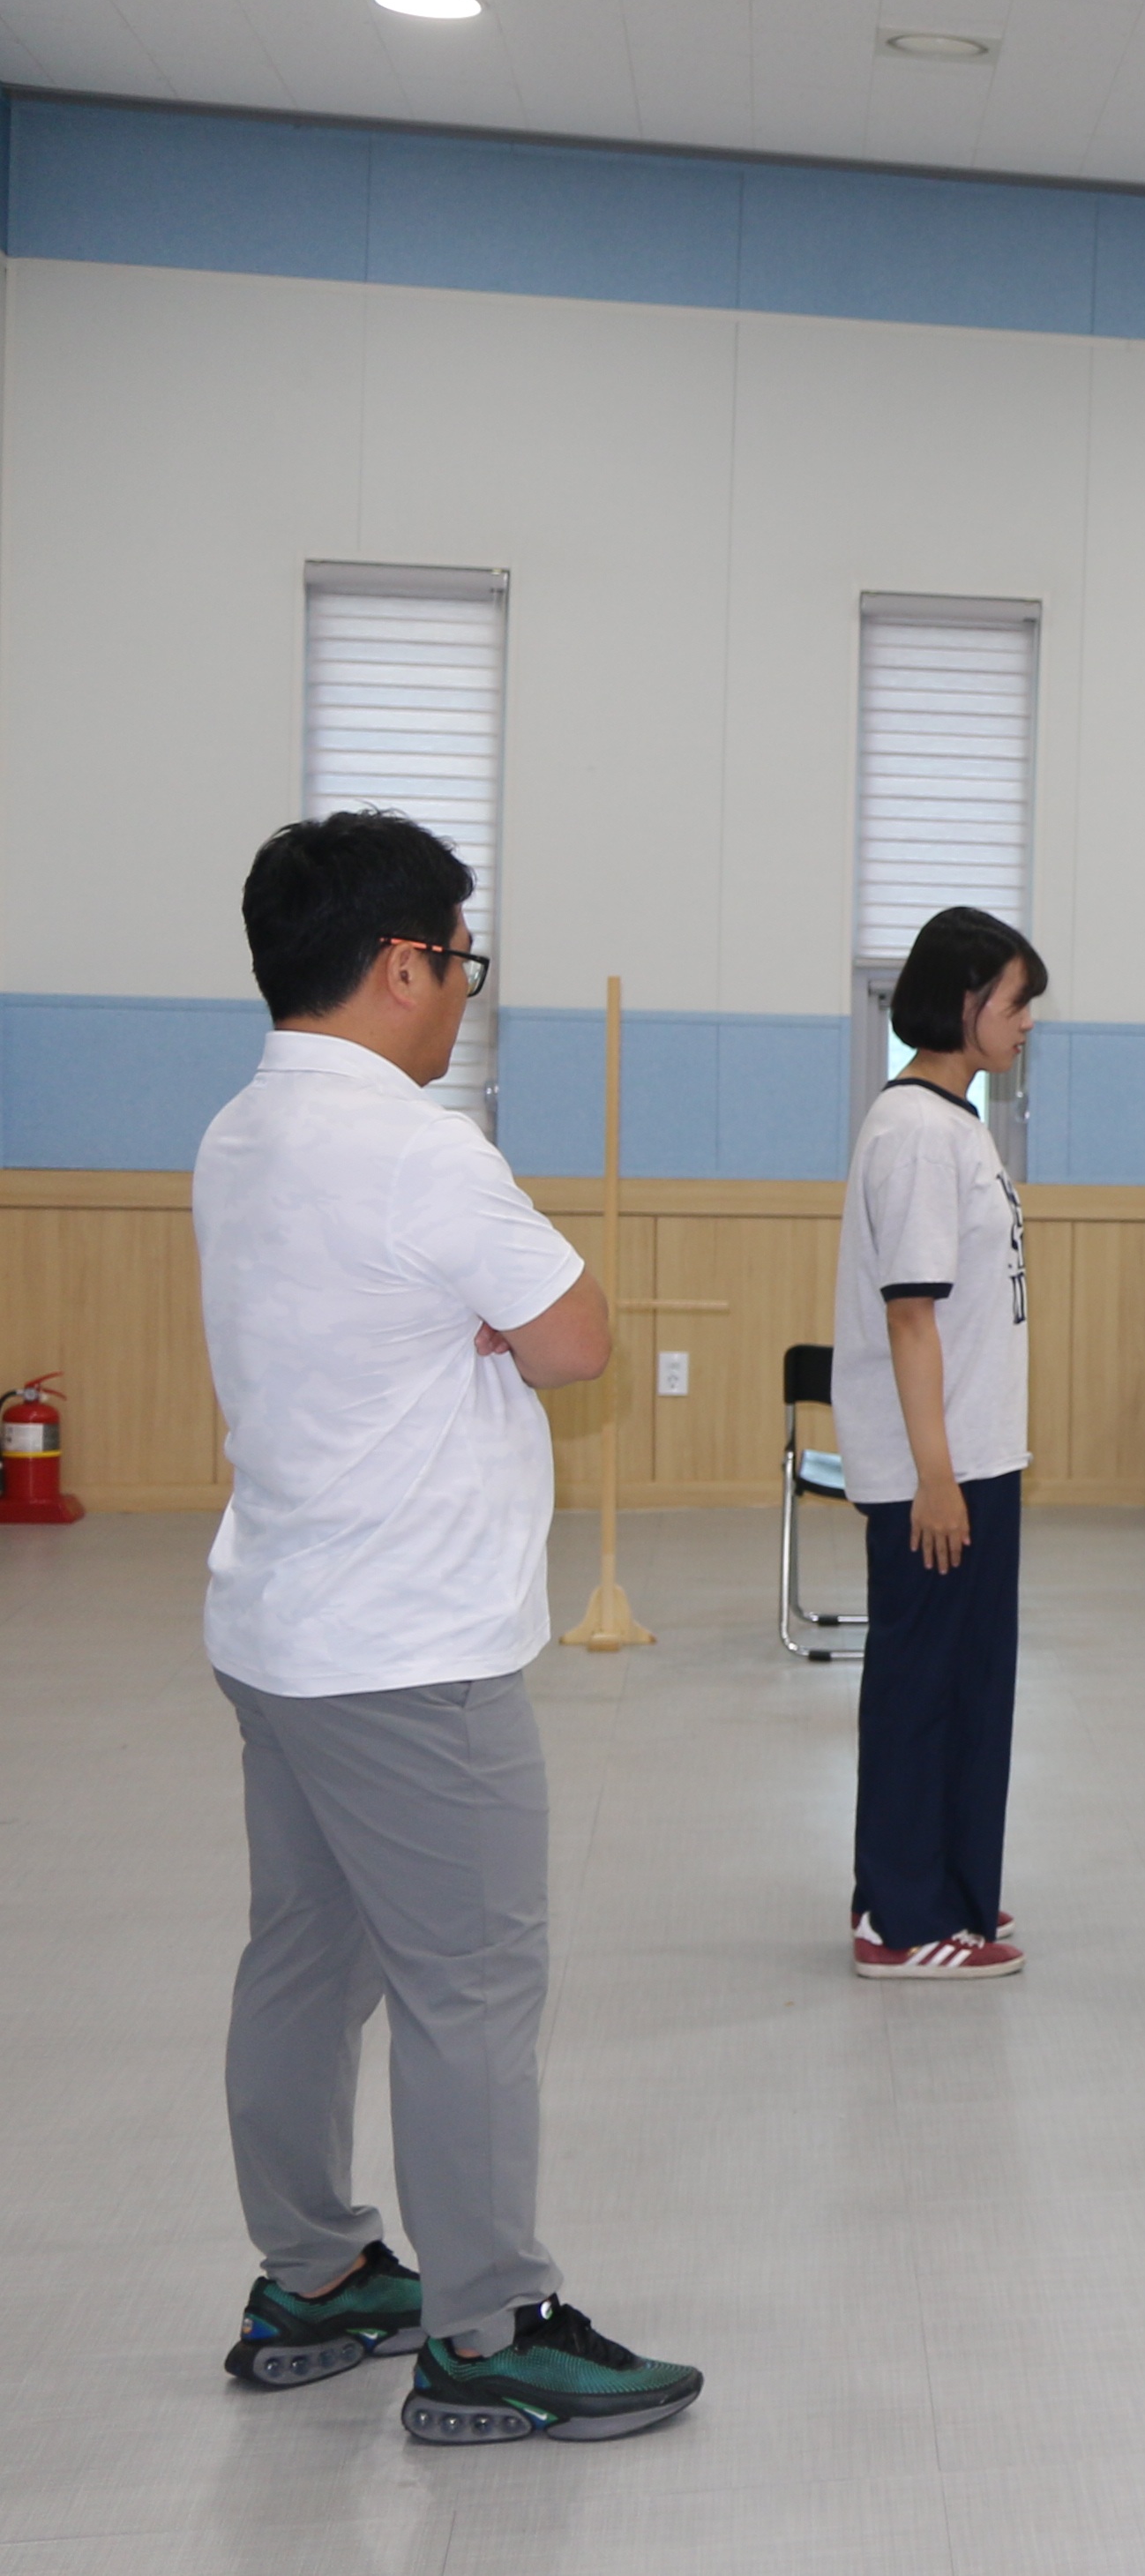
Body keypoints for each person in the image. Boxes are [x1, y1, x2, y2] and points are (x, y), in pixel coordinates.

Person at [196, 809, 702, 2445]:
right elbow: (576, 1339)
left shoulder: (237, 1135)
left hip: (283, 1631)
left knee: (303, 1960)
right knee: (472, 1987)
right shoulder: (421, 1152)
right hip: (411, 1655)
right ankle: (487, 2330)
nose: (464, 995)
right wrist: (487, 1327)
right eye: (462, 963)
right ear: (403, 963)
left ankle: (315, 2274)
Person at [835, 906, 1047, 1981]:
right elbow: (910, 1315)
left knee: (968, 1686)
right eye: (1015, 1002)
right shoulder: (918, 1131)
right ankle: (902, 1920)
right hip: (940, 1468)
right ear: (964, 1002)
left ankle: (948, 1887)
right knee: (923, 1689)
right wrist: (933, 1476)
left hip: (974, 1457)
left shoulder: (954, 1121)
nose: (1025, 1022)